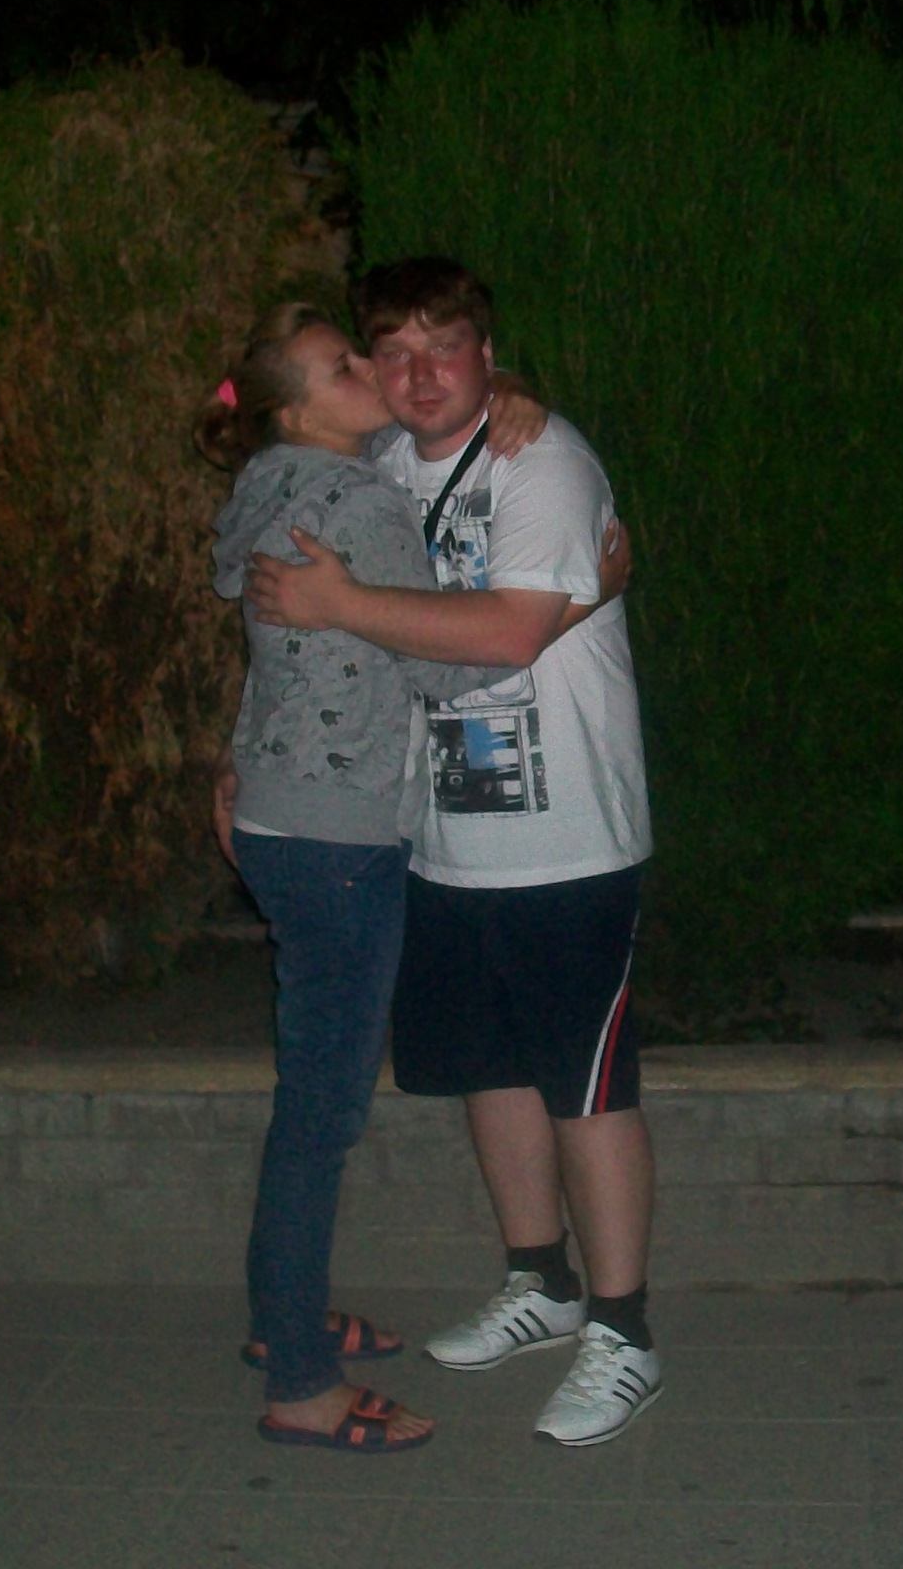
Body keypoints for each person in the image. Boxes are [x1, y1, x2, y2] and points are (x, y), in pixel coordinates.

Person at [246, 257, 661, 1448]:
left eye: (448, 345)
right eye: (393, 351)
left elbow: (509, 632)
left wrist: (342, 605)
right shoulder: (373, 464)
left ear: (487, 350)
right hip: (432, 837)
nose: (420, 373)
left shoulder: (543, 462)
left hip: (566, 838)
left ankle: (625, 1333)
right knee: (492, 1071)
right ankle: (541, 1282)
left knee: (586, 1088)